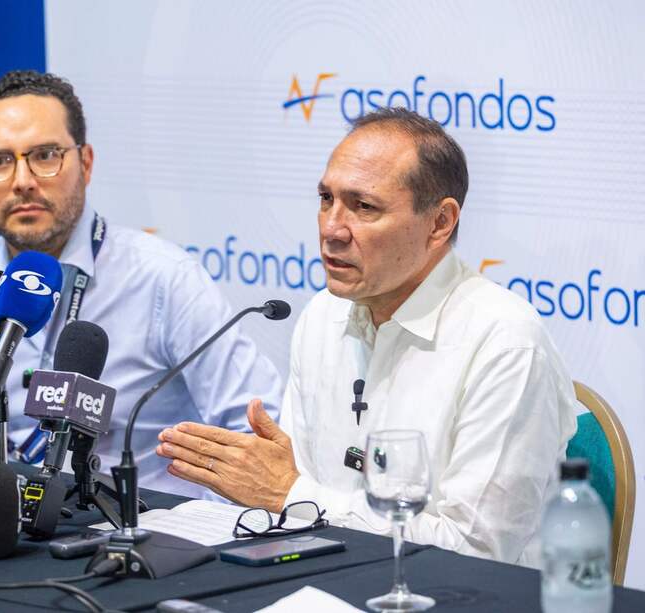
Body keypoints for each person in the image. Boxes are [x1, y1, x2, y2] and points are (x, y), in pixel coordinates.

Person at [156, 108, 577, 565]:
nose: (332, 229)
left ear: (440, 222)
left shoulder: (506, 344)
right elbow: (300, 490)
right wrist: (269, 486)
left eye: (364, 207)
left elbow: (476, 551)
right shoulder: (324, 314)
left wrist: (289, 492)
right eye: (325, 198)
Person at [0, 70, 282, 499]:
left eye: (46, 155)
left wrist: (191, 533)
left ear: (85, 162)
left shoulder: (164, 280)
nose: (22, 180)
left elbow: (257, 430)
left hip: (135, 535)